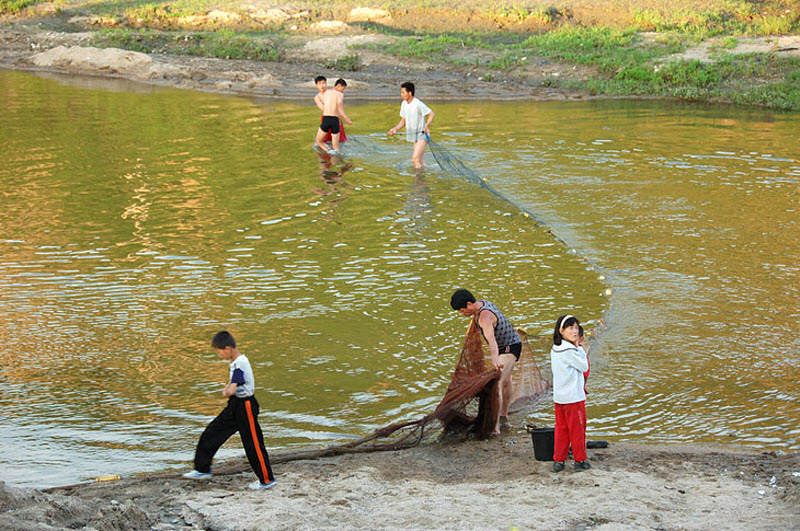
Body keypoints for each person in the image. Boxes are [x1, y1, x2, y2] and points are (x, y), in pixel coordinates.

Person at [182, 331, 277, 490]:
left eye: (219, 351)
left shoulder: (240, 363)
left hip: (246, 406)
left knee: (253, 444)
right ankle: (202, 469)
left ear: (228, 348)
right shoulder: (235, 362)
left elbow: (234, 386)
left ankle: (267, 480)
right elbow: (236, 382)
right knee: (212, 433)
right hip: (235, 405)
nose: (219, 354)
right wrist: (229, 388)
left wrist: (227, 390)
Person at [450, 288, 521, 435]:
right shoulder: (481, 304)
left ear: (469, 304)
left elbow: (492, 340)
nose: (461, 313)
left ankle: (495, 427)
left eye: (462, 310)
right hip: (512, 342)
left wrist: (495, 360)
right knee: (506, 381)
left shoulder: (484, 317)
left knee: (497, 383)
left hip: (509, 348)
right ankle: (503, 416)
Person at [550, 315, 590, 472]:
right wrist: (580, 347)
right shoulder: (571, 350)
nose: (575, 331)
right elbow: (584, 366)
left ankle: (559, 460)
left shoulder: (555, 349)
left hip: (560, 398)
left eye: (576, 328)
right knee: (578, 429)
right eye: (570, 328)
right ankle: (580, 459)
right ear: (561, 330)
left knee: (561, 429)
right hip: (573, 398)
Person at [387, 81, 435, 169]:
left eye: (403, 92)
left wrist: (427, 125)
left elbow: (431, 113)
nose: (401, 94)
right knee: (419, 161)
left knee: (415, 159)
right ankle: (422, 178)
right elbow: (403, 121)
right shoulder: (404, 104)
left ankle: (417, 181)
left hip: (422, 134)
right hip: (414, 135)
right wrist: (395, 129)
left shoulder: (418, 104)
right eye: (401, 92)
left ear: (410, 93)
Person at [314, 78, 352, 156]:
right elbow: (340, 109)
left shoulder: (320, 95)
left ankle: (328, 151)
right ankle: (339, 160)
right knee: (336, 147)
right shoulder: (339, 94)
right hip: (336, 120)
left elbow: (323, 109)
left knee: (319, 141)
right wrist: (347, 119)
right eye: (320, 83)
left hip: (327, 118)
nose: (343, 91)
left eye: (323, 83)